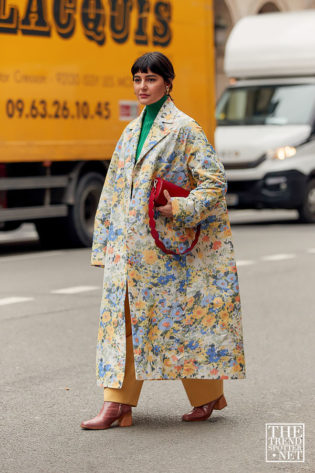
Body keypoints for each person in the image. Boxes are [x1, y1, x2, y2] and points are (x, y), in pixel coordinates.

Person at [81, 52, 245, 430]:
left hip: (167, 251)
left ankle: (207, 396)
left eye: (151, 79)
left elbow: (214, 182)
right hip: (129, 252)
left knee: (185, 321)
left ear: (168, 84)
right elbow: (112, 191)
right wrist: (105, 244)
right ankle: (117, 405)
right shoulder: (130, 131)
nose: (142, 86)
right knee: (123, 321)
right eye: (137, 79)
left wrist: (181, 208)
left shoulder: (185, 128)